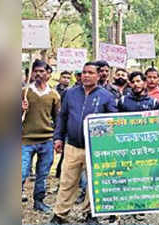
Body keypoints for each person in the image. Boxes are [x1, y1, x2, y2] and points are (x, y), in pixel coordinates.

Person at [50, 61, 118, 224]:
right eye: (84, 72)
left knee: (93, 183)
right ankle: (60, 214)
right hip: (72, 145)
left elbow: (112, 121)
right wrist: (58, 137)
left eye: (90, 73)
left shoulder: (106, 96)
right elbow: (63, 117)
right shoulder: (70, 93)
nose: (86, 75)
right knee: (67, 182)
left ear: (98, 75)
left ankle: (90, 214)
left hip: (94, 148)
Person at [21, 60, 61, 212]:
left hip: (46, 140)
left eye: (41, 71)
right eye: (35, 71)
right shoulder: (24, 92)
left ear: (48, 74)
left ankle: (39, 201)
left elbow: (58, 119)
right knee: (21, 172)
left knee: (42, 174)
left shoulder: (54, 95)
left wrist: (58, 139)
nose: (38, 74)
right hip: (25, 139)